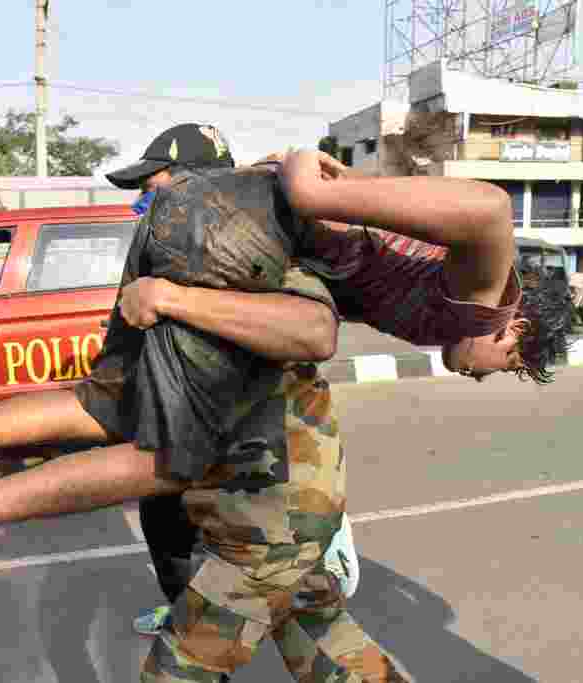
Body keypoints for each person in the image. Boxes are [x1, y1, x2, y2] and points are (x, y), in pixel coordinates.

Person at [0, 148, 572, 681]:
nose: (486, 371)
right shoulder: (486, 294)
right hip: (229, 235)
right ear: (518, 327)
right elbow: (490, 209)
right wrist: (315, 188)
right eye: (506, 363)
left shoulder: (426, 294)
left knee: (109, 403)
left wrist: (302, 193)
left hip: (215, 224)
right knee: (178, 451)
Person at [109, 145, 359, 638]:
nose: (144, 201)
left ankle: (203, 629)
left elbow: (314, 332)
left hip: (252, 464)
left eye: (154, 186)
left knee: (272, 613)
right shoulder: (177, 244)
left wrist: (173, 299)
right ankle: (194, 619)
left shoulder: (264, 242)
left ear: (204, 183)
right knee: (172, 535)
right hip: (189, 435)